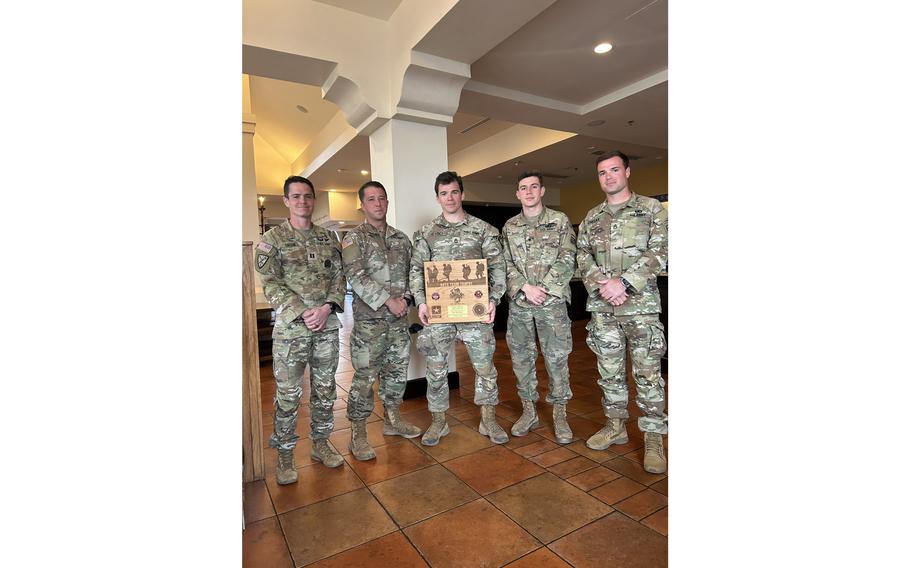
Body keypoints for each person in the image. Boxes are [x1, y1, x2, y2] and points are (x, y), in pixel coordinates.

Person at [576, 150, 668, 474]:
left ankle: (654, 439)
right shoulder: (591, 217)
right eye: (602, 172)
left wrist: (624, 283)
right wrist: (603, 285)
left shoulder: (651, 209)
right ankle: (615, 427)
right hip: (604, 310)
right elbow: (582, 255)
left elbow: (662, 250)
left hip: (640, 309)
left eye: (614, 170)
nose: (609, 177)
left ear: (627, 171)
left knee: (648, 375)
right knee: (609, 374)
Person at [255, 175, 346, 485]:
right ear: (286, 200)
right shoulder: (273, 240)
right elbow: (270, 282)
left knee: (324, 391)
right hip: (291, 331)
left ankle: (321, 444)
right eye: (296, 197)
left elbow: (339, 278)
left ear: (313, 199)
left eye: (307, 196)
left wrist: (325, 308)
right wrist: (303, 311)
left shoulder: (328, 239)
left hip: (326, 326)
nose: (303, 201)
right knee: (289, 395)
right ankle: (284, 456)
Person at [410, 171, 509, 445]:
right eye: (444, 193)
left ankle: (488, 419)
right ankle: (439, 422)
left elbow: (498, 269)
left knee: (485, 367)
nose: (450, 198)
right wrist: (420, 301)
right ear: (438, 197)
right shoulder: (426, 233)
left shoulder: (484, 230)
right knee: (436, 368)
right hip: (439, 315)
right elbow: (416, 270)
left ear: (462, 194)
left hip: (475, 313)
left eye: (454, 192)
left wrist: (494, 299)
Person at [340, 180, 423, 461]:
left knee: (396, 373)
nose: (378, 203)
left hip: (399, 322)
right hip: (370, 325)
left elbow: (415, 274)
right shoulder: (354, 239)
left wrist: (408, 301)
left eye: (382, 198)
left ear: (387, 203)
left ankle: (392, 420)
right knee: (364, 379)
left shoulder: (401, 239)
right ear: (362, 204)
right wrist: (389, 300)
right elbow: (356, 277)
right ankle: (359, 433)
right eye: (372, 199)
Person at [502, 171, 577, 444]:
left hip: (552, 303)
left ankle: (560, 415)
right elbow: (505, 263)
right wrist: (525, 287)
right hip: (521, 304)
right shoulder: (509, 227)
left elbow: (568, 257)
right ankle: (529, 411)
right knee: (521, 359)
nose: (529, 192)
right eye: (524, 188)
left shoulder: (559, 221)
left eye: (534, 187)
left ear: (542, 191)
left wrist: (543, 288)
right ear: (518, 194)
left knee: (557, 359)